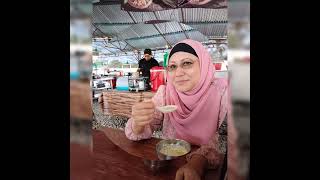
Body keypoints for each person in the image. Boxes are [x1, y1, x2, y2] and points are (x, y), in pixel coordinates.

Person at [125, 39, 231, 179]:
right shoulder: (166, 92)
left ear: (204, 64)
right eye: (172, 67)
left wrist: (199, 162)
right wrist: (139, 122)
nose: (178, 73)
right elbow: (145, 126)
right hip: (168, 161)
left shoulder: (222, 92)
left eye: (187, 63)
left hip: (206, 165)